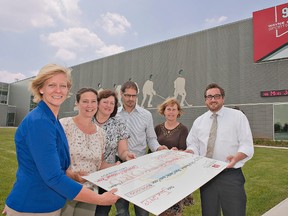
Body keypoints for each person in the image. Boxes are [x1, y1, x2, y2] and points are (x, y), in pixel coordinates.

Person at [4, 64, 119, 216]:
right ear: (41, 88)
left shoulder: (52, 120)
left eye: (63, 86)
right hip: (34, 206)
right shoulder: (40, 121)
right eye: (52, 85)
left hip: (49, 203)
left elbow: (52, 166)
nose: (58, 90)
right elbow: (53, 177)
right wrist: (100, 199)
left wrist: (72, 175)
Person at [186, 83, 254, 216]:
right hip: (207, 176)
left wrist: (236, 158)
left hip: (230, 174)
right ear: (205, 100)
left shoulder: (237, 116)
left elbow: (247, 145)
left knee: (235, 213)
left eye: (216, 96)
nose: (213, 100)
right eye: (209, 97)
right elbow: (193, 144)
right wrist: (190, 152)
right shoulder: (199, 121)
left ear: (223, 98)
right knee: (209, 213)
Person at [60, 87, 116, 216]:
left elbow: (100, 164)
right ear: (77, 103)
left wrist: (117, 167)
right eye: (85, 101)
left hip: (90, 193)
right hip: (66, 189)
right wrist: (72, 175)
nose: (89, 105)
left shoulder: (101, 133)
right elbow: (52, 162)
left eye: (93, 101)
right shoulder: (64, 125)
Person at [115, 80, 168, 216]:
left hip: (141, 165)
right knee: (121, 210)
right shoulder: (114, 114)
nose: (131, 99)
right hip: (118, 165)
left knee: (143, 209)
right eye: (127, 95)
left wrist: (157, 148)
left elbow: (151, 138)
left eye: (134, 96)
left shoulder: (146, 115)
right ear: (121, 94)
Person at [94, 89, 136, 216]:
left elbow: (122, 150)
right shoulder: (87, 120)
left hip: (107, 175)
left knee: (101, 212)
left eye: (112, 103)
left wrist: (126, 155)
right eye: (105, 102)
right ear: (98, 103)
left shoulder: (118, 124)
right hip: (86, 174)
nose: (108, 105)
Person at [154, 97, 193, 216]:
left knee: (175, 208)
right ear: (164, 111)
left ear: (178, 112)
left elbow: (184, 150)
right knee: (160, 205)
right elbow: (152, 149)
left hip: (176, 172)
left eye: (174, 109)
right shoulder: (157, 128)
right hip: (159, 172)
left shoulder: (183, 129)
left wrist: (177, 151)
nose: (171, 112)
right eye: (168, 109)